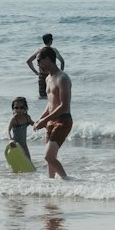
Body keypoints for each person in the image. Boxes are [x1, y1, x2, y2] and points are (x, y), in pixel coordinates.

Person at [33, 49, 72, 179]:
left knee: (48, 156)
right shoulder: (48, 78)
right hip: (51, 120)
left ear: (48, 59)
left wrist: (45, 121)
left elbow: (64, 106)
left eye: (39, 61)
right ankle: (52, 185)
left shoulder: (62, 78)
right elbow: (50, 104)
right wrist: (41, 119)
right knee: (50, 159)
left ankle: (68, 181)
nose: (38, 65)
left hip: (63, 120)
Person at [27, 33, 65, 100]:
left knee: (42, 97)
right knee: (54, 97)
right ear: (50, 41)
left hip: (41, 77)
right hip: (52, 76)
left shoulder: (38, 50)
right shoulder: (53, 50)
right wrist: (60, 73)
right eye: (52, 39)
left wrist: (36, 72)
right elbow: (62, 62)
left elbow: (29, 61)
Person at [7, 96, 34, 163]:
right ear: (13, 108)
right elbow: (8, 130)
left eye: (21, 107)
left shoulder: (27, 117)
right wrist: (10, 140)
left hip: (24, 146)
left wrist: (45, 125)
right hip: (15, 145)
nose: (18, 110)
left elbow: (35, 124)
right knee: (16, 163)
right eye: (16, 108)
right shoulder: (14, 119)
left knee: (29, 162)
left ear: (25, 108)